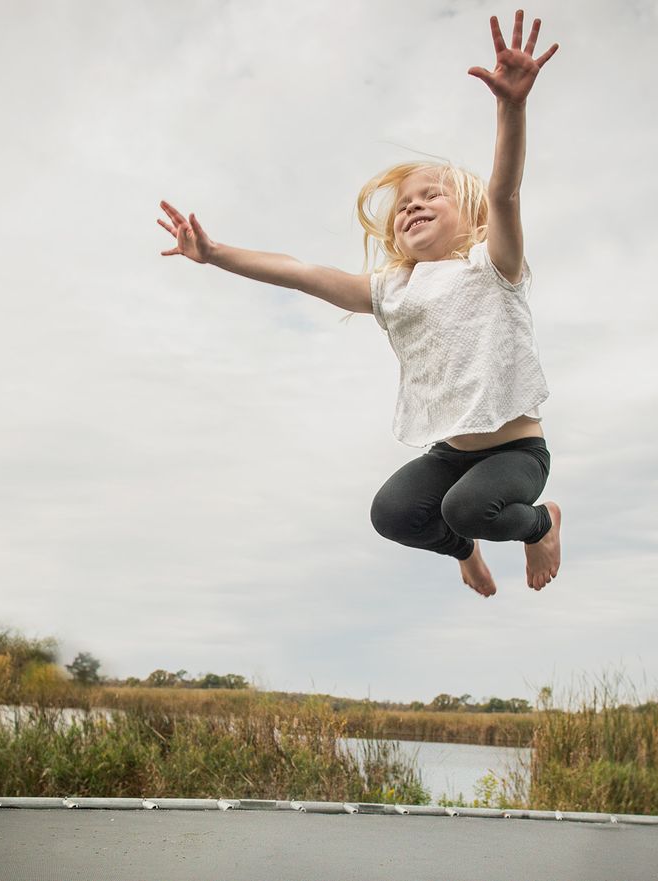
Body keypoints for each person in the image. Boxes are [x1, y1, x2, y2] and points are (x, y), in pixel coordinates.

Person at [158, 9, 561, 598]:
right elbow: (301, 273)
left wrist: (511, 107)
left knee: (468, 506)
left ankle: (543, 524)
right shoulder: (391, 290)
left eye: (432, 196)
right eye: (403, 205)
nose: (412, 206)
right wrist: (215, 253)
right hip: (450, 454)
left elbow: (504, 191)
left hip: (515, 454)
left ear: (470, 218)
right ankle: (463, 550)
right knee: (394, 514)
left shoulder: (492, 265)